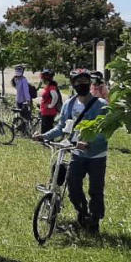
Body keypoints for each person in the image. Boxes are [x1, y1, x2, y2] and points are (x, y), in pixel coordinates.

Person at [34, 69, 110, 234]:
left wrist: (89, 142)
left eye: (84, 81)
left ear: (90, 83)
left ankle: (94, 221)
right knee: (73, 187)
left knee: (95, 190)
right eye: (77, 82)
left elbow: (104, 131)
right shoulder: (69, 104)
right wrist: (44, 135)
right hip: (76, 152)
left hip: (96, 155)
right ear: (73, 84)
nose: (81, 85)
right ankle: (83, 214)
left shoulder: (101, 105)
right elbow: (62, 127)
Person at [38, 69, 62, 134]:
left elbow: (55, 97)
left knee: (46, 130)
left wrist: (50, 105)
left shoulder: (51, 87)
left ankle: (47, 142)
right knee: (47, 129)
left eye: (42, 78)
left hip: (48, 112)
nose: (41, 80)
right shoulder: (49, 86)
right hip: (46, 112)